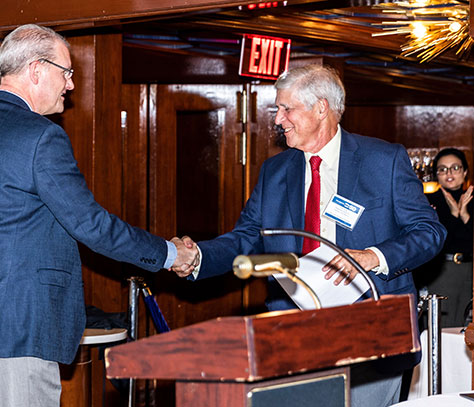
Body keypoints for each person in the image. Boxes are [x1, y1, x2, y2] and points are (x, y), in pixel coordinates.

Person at [0, 24, 198, 407]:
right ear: (36, 70)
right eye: (66, 72)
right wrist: (169, 254)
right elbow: (91, 225)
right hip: (21, 330)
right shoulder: (41, 136)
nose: (70, 84)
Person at [175, 65, 446, 407]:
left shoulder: (384, 160)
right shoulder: (275, 171)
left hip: (371, 331)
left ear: (321, 108)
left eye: (286, 108)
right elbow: (245, 238)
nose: (277, 119)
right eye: (278, 109)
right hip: (293, 334)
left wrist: (372, 257)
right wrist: (197, 257)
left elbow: (429, 231)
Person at [415, 148, 473, 328]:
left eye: (455, 168)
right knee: (442, 328)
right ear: (435, 175)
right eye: (442, 169)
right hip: (442, 271)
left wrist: (465, 216)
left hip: (470, 270)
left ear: (464, 172)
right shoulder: (428, 201)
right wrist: (455, 216)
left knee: (466, 331)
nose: (449, 173)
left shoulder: (471, 199)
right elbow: (441, 241)